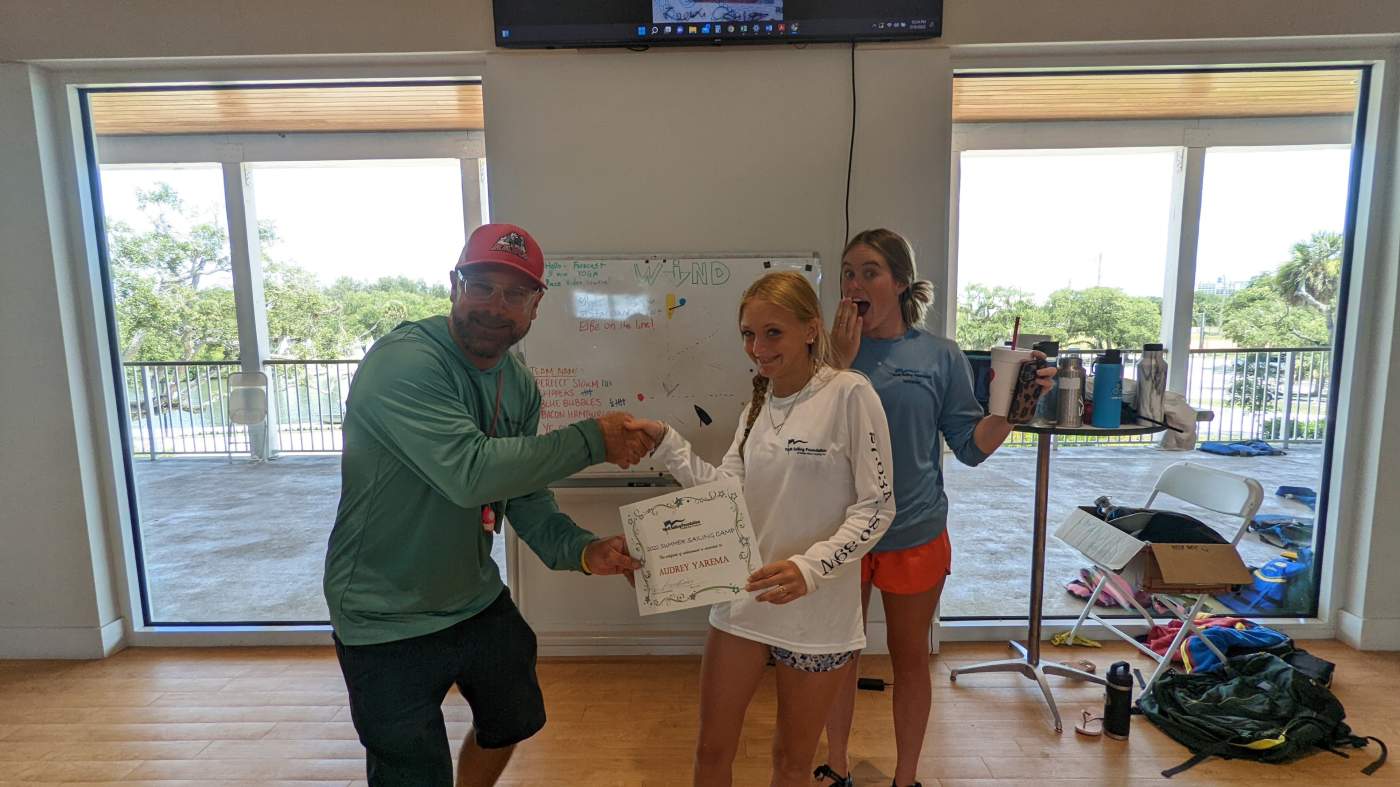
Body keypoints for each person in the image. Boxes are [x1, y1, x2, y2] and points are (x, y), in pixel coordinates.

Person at [323, 223, 650, 787]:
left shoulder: (518, 384)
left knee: (514, 716)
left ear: (535, 305)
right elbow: (470, 474)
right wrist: (593, 440)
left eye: (514, 293)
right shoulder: (403, 363)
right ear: (454, 285)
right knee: (411, 771)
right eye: (481, 286)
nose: (495, 307)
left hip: (473, 599)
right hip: (383, 614)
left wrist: (582, 550)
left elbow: (523, 493)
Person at [626, 271, 896, 787]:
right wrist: (668, 445)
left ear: (811, 330)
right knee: (710, 752)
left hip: (818, 617)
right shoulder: (756, 405)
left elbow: (877, 508)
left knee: (791, 764)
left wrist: (809, 568)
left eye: (773, 333)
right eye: (748, 334)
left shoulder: (849, 394)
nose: (757, 347)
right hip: (743, 600)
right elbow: (726, 497)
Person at [815, 229, 1056, 787]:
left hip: (914, 531)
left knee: (910, 662)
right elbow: (807, 436)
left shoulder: (939, 354)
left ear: (899, 283)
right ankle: (836, 765)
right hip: (837, 534)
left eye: (869, 271)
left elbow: (971, 446)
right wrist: (838, 365)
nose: (854, 283)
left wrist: (1019, 404)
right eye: (848, 272)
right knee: (836, 658)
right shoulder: (823, 353)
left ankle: (906, 777)